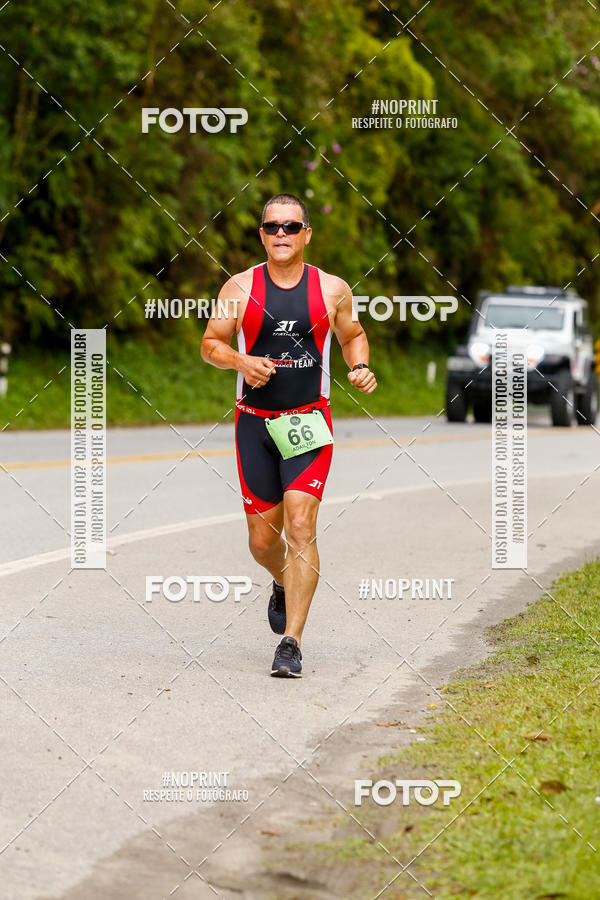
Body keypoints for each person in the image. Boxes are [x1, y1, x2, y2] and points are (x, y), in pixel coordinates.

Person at [201, 193, 376, 677]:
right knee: (262, 540)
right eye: (272, 226)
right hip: (254, 422)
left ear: (306, 234)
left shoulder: (331, 288)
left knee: (300, 525)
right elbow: (210, 344)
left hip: (306, 422)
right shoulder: (239, 287)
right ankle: (282, 579)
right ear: (262, 235)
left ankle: (291, 643)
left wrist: (359, 365)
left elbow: (352, 334)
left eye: (291, 226)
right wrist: (240, 361)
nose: (281, 234)